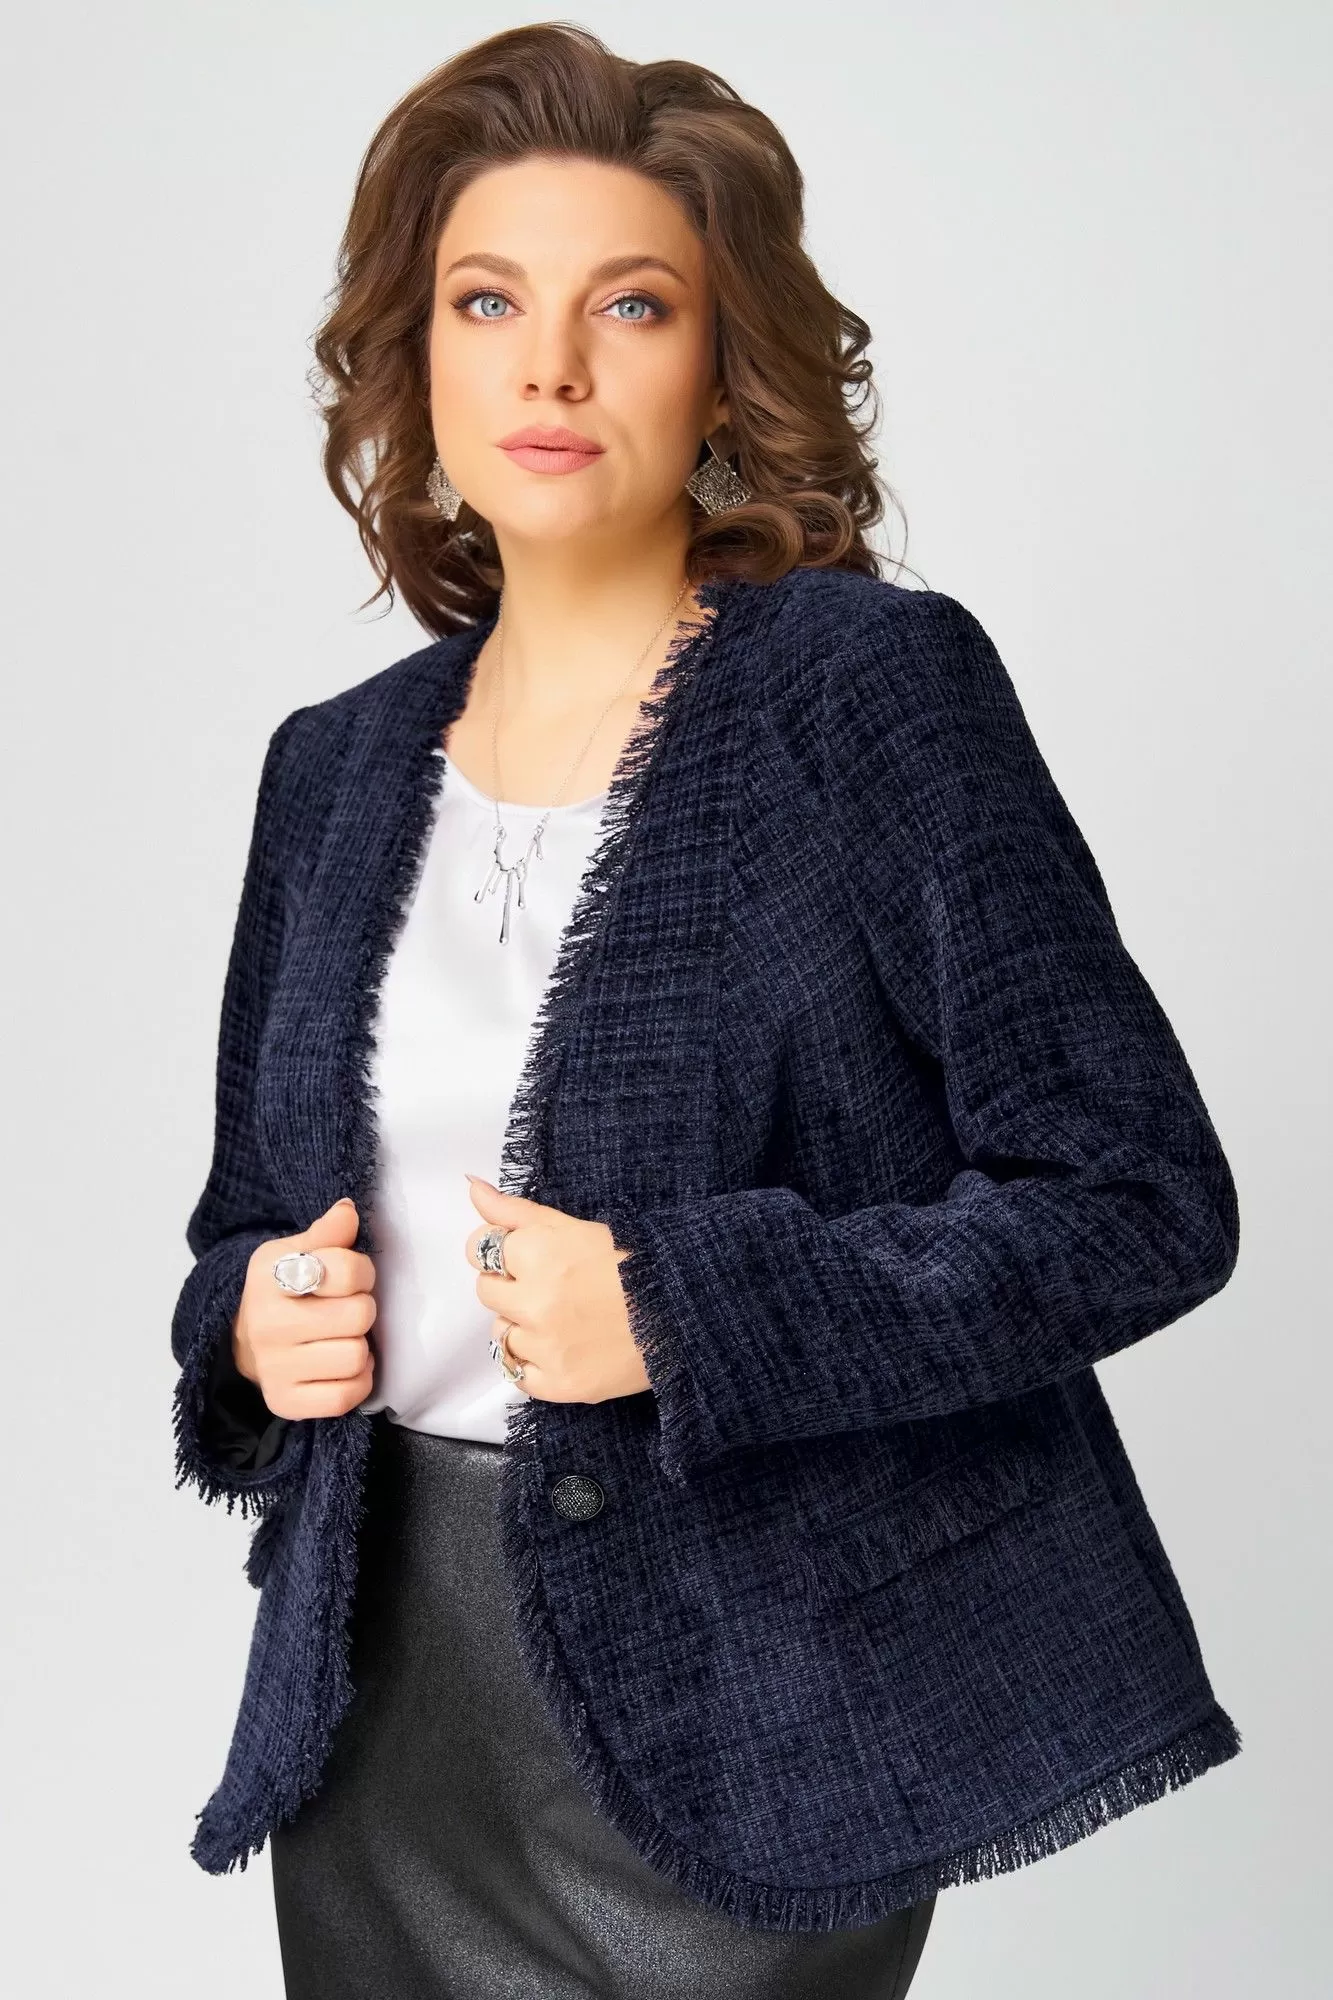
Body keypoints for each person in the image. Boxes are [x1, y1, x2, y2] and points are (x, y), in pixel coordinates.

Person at [170, 23, 1242, 2000]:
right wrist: (251, 1320)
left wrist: (684, 1306)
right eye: (488, 301)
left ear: (724, 362)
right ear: (416, 358)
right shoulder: (331, 769)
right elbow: (244, 1218)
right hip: (381, 1705)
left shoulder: (865, 694)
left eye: (631, 304)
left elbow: (1137, 1196)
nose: (550, 367)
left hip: (762, 1722)